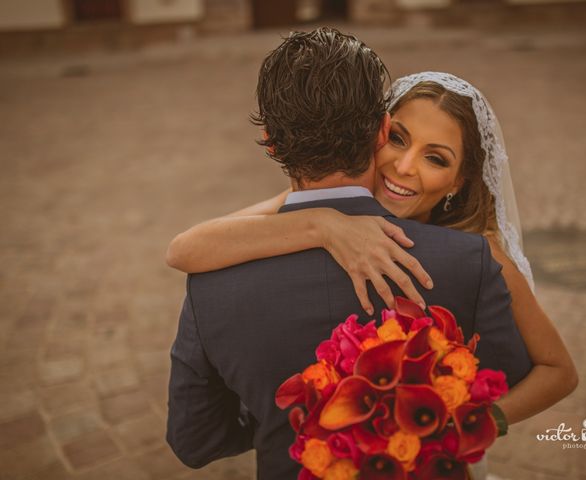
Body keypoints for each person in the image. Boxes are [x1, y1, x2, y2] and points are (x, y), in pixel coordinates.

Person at [166, 28, 535, 480]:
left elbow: (195, 441)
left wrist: (278, 419)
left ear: (271, 143)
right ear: (382, 130)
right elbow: (505, 382)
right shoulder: (471, 261)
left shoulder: (212, 283)